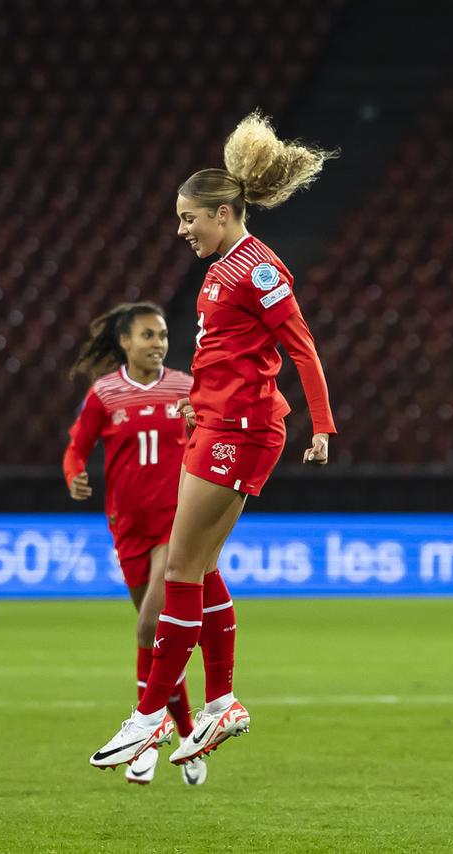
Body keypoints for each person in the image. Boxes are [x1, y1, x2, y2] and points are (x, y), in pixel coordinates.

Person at [90, 110, 337, 770]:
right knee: (201, 569)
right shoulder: (220, 271)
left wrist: (324, 424)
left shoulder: (258, 269)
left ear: (222, 214)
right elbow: (227, 358)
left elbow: (302, 348)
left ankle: (150, 718)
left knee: (178, 570)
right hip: (220, 426)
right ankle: (220, 701)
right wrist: (197, 408)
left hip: (245, 430)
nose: (182, 230)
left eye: (188, 218)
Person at [65, 302, 206, 785]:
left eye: (163, 335)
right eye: (148, 335)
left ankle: (145, 735)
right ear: (125, 341)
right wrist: (74, 474)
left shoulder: (186, 387)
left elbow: (211, 433)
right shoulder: (105, 394)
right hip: (126, 528)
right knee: (158, 637)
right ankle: (186, 732)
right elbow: (76, 447)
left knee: (150, 626)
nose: (159, 343)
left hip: (177, 524)